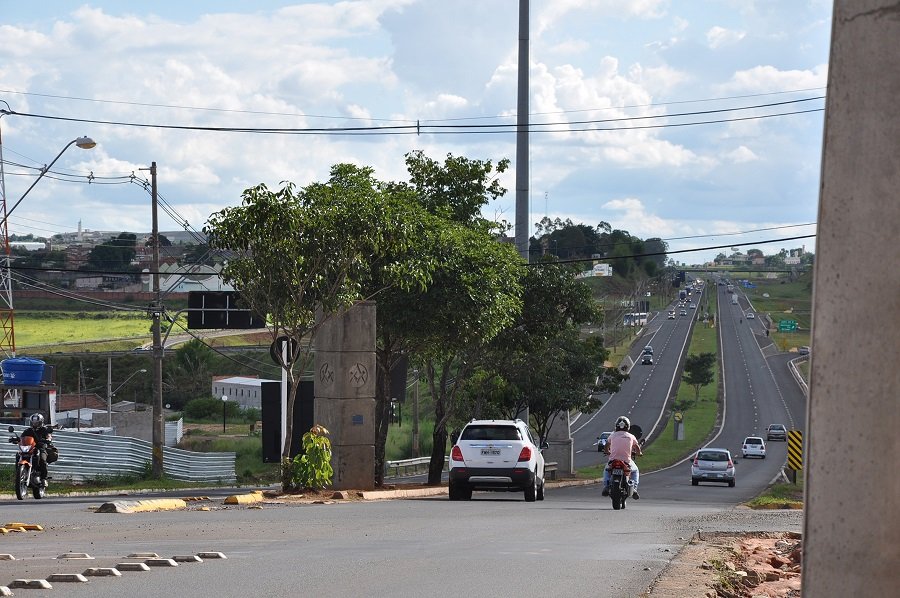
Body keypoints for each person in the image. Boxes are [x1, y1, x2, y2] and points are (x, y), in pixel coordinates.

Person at [602, 415, 643, 499]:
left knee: (606, 470)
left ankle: (606, 486)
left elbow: (606, 446)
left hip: (613, 460)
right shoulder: (631, 436)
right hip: (627, 461)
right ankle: (634, 488)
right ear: (628, 426)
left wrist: (607, 451)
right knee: (635, 471)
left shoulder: (612, 435)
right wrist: (639, 453)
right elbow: (637, 448)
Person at [21, 413, 54, 487]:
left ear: (41, 422)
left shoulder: (44, 430)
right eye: (33, 422)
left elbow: (48, 436)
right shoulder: (28, 430)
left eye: (36, 422)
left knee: (42, 459)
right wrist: (15, 439)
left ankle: (43, 479)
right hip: (30, 449)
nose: (35, 424)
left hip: (40, 448)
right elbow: (22, 437)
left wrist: (48, 439)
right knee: (18, 455)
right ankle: (19, 474)